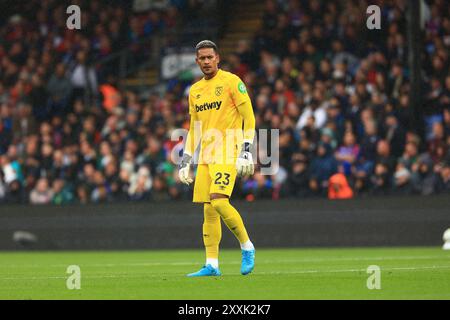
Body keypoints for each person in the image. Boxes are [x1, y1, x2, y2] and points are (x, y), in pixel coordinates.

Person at [178, 40, 256, 277]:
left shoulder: (232, 81)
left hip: (228, 150)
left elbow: (249, 117)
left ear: (218, 58)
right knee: (209, 210)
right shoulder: (195, 90)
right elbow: (195, 128)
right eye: (202, 58)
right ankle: (212, 264)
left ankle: (247, 247)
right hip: (206, 155)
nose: (206, 61)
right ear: (197, 61)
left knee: (219, 201)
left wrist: (246, 150)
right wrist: (185, 160)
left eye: (210, 57)